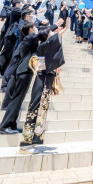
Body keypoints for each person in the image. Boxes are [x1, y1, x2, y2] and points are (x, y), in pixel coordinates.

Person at [20, 18, 68, 154]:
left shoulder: (46, 48)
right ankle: (25, 143)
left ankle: (36, 138)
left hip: (47, 78)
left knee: (43, 106)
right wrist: (65, 27)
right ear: (45, 36)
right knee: (35, 106)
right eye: (50, 33)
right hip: (42, 78)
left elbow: (54, 58)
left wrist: (56, 68)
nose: (53, 34)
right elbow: (54, 40)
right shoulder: (42, 46)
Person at [0, 24, 49, 134]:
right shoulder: (29, 38)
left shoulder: (30, 41)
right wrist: (55, 26)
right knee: (16, 100)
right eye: (34, 27)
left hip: (25, 72)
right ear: (30, 29)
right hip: (23, 72)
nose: (36, 28)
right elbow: (40, 35)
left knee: (18, 100)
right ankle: (4, 126)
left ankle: (11, 124)